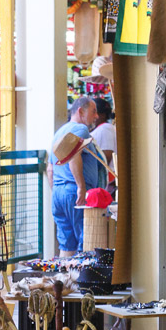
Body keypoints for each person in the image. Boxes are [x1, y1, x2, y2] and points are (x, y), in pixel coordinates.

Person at [51, 97, 105, 256]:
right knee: (85, 241)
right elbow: (74, 156)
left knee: (66, 244)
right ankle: (80, 273)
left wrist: (58, 191)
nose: (96, 116)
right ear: (81, 111)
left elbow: (50, 168)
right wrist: (81, 187)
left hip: (59, 193)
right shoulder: (81, 129)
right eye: (93, 112)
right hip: (75, 192)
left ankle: (65, 273)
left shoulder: (59, 132)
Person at [91, 97, 118, 181]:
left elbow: (106, 157)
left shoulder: (105, 129)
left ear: (102, 115)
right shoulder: (103, 128)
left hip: (108, 178)